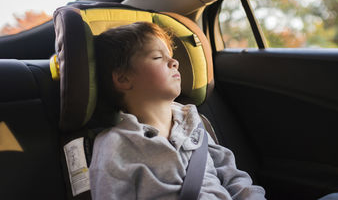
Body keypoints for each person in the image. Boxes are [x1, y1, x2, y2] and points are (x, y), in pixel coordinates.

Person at [89, 21, 266, 200]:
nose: (174, 62)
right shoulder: (115, 145)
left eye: (171, 55)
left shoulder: (196, 123)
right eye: (158, 57)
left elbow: (233, 178)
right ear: (123, 79)